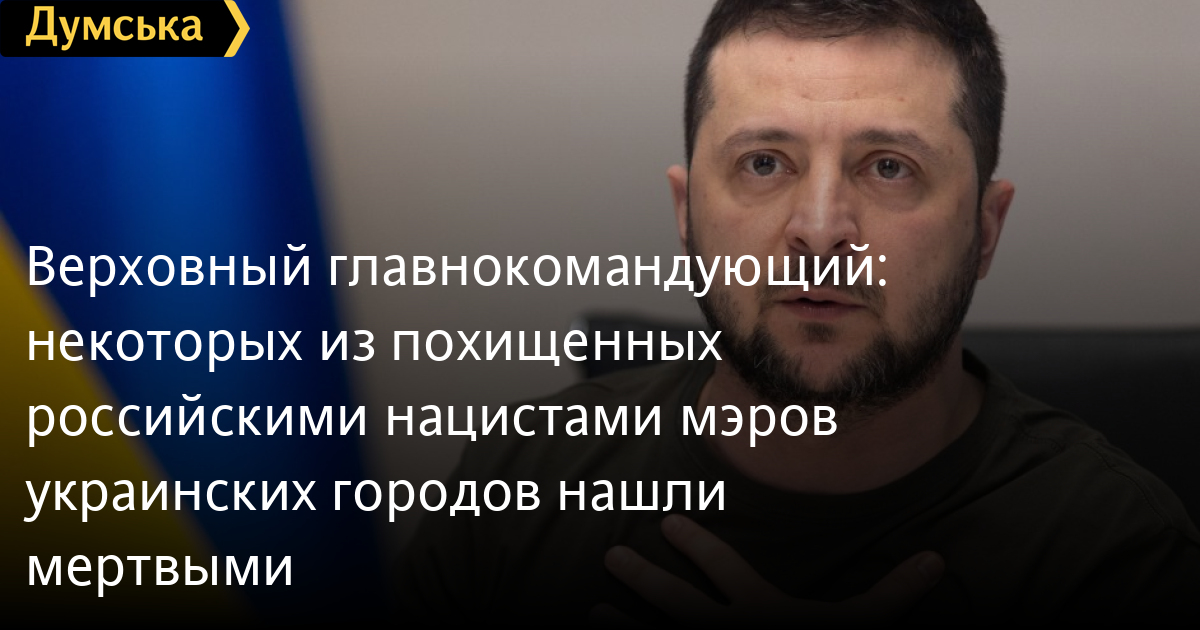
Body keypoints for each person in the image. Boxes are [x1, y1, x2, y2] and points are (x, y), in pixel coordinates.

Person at [396, 0, 1200, 624]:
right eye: (763, 163)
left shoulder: (1118, 554)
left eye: (889, 167)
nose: (819, 229)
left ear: (985, 230)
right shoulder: (518, 484)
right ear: (686, 213)